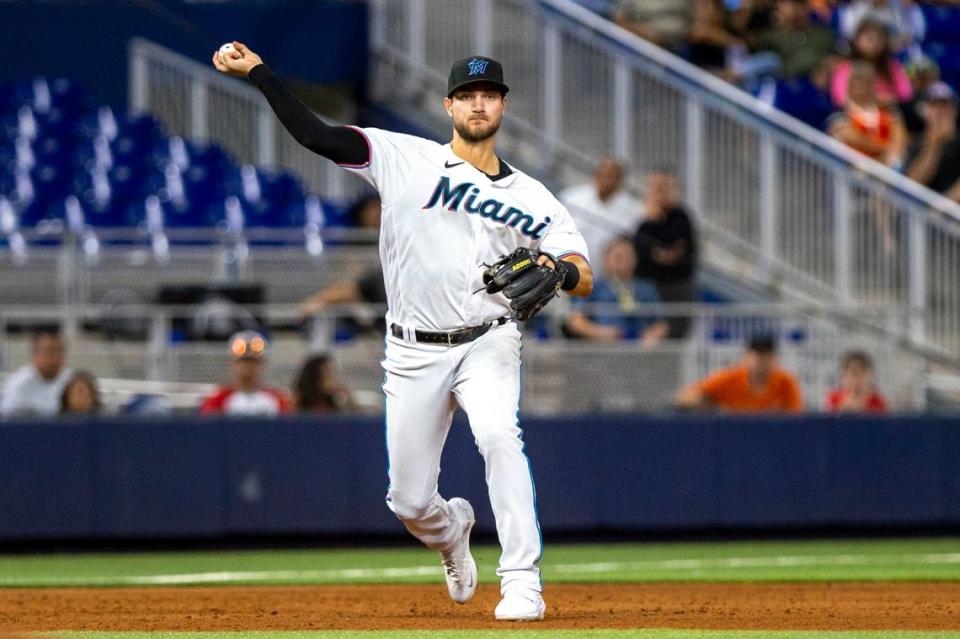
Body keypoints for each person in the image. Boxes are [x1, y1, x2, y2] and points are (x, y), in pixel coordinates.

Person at [214, 44, 593, 621]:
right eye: (467, 95)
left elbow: (581, 271)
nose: (477, 103)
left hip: (489, 338)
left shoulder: (532, 197)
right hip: (412, 348)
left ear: (502, 106)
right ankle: (450, 532)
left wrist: (561, 270)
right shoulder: (401, 156)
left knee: (497, 435)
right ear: (448, 105)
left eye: (488, 94)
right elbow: (317, 136)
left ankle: (522, 583)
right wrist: (262, 74)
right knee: (409, 501)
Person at [566, 237, 669, 345]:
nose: (624, 262)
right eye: (618, 257)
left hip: (638, 350)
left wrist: (652, 336)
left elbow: (661, 323)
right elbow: (575, 322)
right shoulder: (592, 287)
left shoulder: (646, 288)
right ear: (606, 260)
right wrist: (599, 333)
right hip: (603, 350)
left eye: (628, 257)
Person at [632, 170, 698, 338]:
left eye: (663, 188)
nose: (657, 193)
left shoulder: (681, 217)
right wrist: (648, 221)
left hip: (675, 288)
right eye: (654, 188)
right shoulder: (639, 216)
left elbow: (673, 254)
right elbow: (637, 248)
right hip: (644, 286)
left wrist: (654, 223)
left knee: (674, 336)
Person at [674, 334, 804, 412]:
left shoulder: (785, 382)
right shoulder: (730, 378)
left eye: (765, 355)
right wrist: (703, 400)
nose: (761, 360)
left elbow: (796, 413)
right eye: (757, 355)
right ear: (746, 356)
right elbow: (687, 397)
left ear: (774, 358)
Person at [559, 157, 640, 265]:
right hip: (573, 267)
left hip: (611, 277)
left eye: (611, 176)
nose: (606, 180)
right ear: (595, 175)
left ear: (620, 180)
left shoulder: (633, 209)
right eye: (602, 174)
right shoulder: (570, 198)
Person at [828, 62, 907, 168]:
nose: (861, 87)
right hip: (852, 171)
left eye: (865, 82)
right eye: (856, 81)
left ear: (873, 85)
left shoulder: (889, 112)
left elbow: (899, 138)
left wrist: (892, 158)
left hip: (887, 171)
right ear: (849, 85)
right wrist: (886, 149)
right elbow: (852, 137)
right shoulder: (839, 113)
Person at [199, 330, 293, 417]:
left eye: (253, 362)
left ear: (263, 364)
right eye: (243, 361)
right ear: (232, 363)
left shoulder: (278, 400)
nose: (248, 367)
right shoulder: (217, 401)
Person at [831, 18, 913, 108]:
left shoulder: (892, 66)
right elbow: (840, 98)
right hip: (854, 114)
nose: (875, 43)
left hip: (887, 113)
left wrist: (880, 100)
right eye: (869, 38)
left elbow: (905, 94)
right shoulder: (845, 67)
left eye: (879, 39)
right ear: (857, 41)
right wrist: (873, 100)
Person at [748, 0, 838, 79]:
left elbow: (835, 59)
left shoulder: (822, 33)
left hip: (818, 88)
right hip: (787, 86)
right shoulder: (773, 36)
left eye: (786, 4)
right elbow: (753, 47)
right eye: (778, 5)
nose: (780, 8)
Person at [906, 82, 960, 203]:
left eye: (945, 106)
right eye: (935, 106)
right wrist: (934, 144)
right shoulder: (915, 143)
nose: (940, 112)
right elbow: (913, 183)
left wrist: (943, 206)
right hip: (923, 213)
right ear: (924, 111)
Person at [0, 329, 71, 418]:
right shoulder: (18, 384)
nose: (54, 357)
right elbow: (6, 420)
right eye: (49, 351)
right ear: (35, 353)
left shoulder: (71, 381)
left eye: (59, 351)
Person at [612, 0, 693, 52]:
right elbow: (620, 20)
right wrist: (648, 35)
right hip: (639, 48)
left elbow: (695, 23)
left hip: (679, 48)